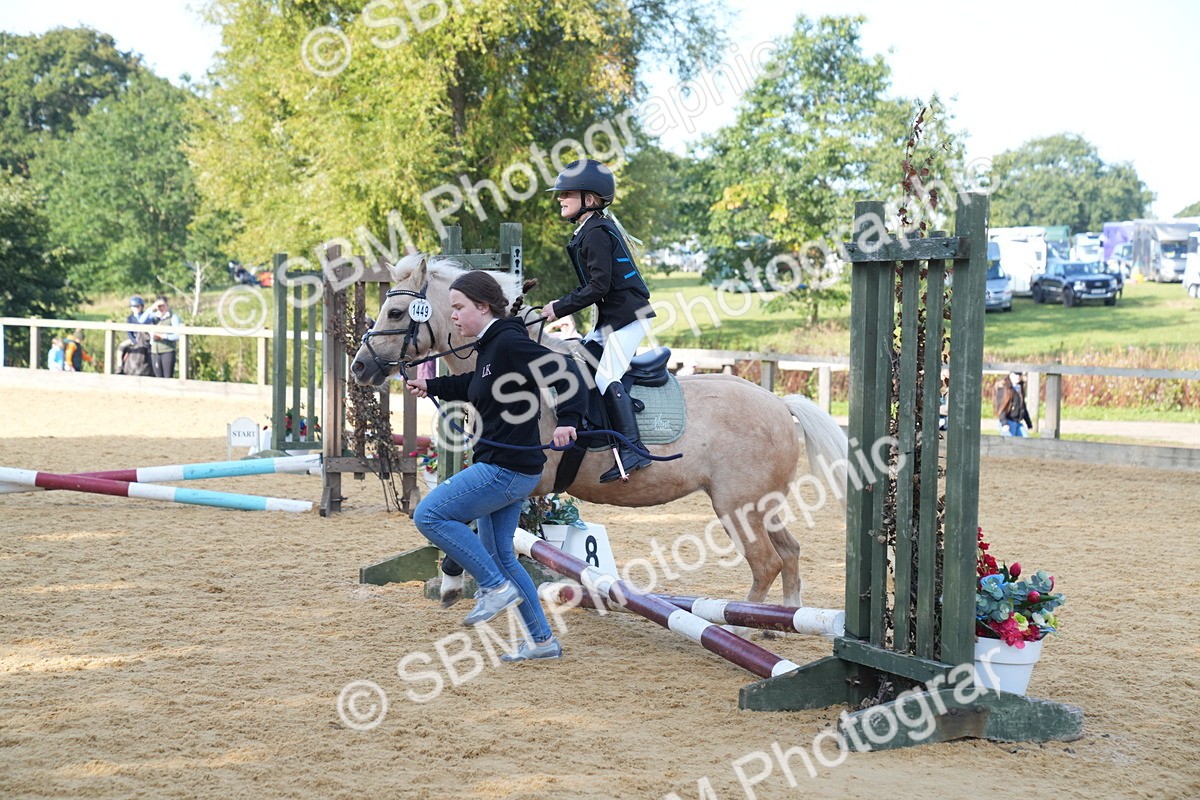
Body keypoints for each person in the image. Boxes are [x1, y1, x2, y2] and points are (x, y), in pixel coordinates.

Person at [406, 271, 587, 662]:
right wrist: (432, 386)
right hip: (506, 465)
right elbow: (476, 384)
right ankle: (541, 641)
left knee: (429, 515)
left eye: (459, 307)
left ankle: (492, 586)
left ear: (483, 306)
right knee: (502, 555)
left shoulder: (508, 342)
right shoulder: (491, 346)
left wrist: (569, 420)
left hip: (506, 469)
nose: (453, 315)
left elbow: (566, 370)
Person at [539, 158, 655, 483]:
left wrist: (559, 308)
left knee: (606, 377)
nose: (560, 199)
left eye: (567, 193)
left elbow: (598, 287)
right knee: (579, 359)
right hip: (611, 321)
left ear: (589, 199)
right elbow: (594, 286)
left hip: (629, 318)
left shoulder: (596, 233)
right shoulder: (589, 230)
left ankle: (634, 448)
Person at [149, 295, 181, 378]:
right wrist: (152, 308)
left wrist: (163, 336)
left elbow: (177, 335)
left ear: (167, 305)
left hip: (168, 350)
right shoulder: (153, 316)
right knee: (157, 377)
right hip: (155, 351)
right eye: (158, 306)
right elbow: (141, 321)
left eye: (162, 305)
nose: (160, 308)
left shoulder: (173, 317)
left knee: (168, 376)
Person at [994, 371, 1033, 437]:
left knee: (1026, 441)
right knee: (1009, 442)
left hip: (1018, 423)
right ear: (1010, 374)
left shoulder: (1020, 387)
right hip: (1008, 422)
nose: (1018, 377)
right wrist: (1004, 423)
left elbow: (1023, 407)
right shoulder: (1004, 388)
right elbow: (1001, 408)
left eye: (1019, 375)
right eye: (1016, 374)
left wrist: (1028, 423)